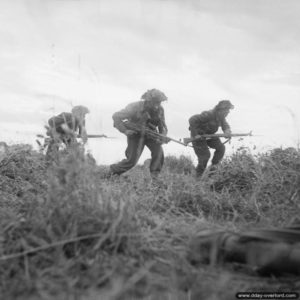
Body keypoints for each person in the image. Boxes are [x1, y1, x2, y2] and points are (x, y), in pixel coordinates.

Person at [109, 89, 169, 178]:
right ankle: (111, 172)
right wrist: (125, 131)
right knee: (131, 161)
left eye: (159, 103)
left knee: (158, 152)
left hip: (151, 134)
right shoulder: (134, 107)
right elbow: (116, 116)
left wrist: (162, 136)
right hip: (135, 135)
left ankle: (155, 177)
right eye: (155, 102)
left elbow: (162, 125)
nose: (157, 106)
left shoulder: (160, 110)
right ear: (148, 100)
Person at [188, 100, 234, 177]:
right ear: (221, 110)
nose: (228, 112)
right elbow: (192, 119)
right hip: (199, 137)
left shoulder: (221, 118)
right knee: (205, 156)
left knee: (221, 148)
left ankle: (212, 173)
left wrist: (227, 131)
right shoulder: (209, 114)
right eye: (227, 110)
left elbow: (225, 125)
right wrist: (195, 135)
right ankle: (197, 177)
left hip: (210, 136)